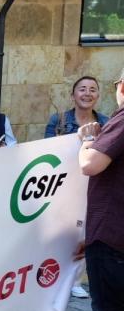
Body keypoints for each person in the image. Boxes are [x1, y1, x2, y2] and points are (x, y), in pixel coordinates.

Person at [51, 71, 124, 311]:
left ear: (118, 88)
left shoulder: (122, 120)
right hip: (110, 234)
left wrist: (85, 143)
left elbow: (91, 165)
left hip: (112, 241)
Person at [45, 75, 109, 298]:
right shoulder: (59, 120)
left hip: (91, 183)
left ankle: (75, 280)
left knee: (83, 231)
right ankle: (50, 276)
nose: (87, 93)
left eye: (93, 89)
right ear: (73, 95)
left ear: (98, 95)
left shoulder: (106, 122)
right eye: (82, 89)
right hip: (62, 183)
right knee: (59, 231)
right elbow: (47, 150)